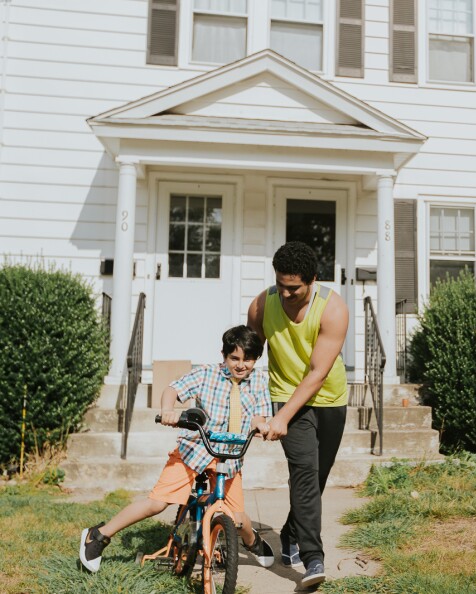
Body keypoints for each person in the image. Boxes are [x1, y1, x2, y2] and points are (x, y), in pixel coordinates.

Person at [79, 325, 275, 574]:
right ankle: (98, 535)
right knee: (157, 504)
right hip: (195, 451)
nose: (240, 365)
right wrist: (168, 409)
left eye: (248, 359)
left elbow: (258, 416)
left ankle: (253, 541)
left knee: (237, 518)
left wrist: (262, 426)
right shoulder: (206, 374)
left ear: (256, 359)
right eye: (234, 358)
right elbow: (173, 389)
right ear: (223, 355)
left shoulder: (258, 380)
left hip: (229, 458)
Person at [247, 241, 349, 589]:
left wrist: (282, 417)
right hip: (284, 397)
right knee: (304, 474)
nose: (286, 294)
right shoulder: (262, 306)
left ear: (313, 280)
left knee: (316, 481)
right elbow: (249, 357)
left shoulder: (332, 309)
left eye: (294, 288)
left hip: (330, 400)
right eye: (281, 285)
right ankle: (313, 560)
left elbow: (318, 373)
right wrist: (265, 410)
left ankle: (290, 534)